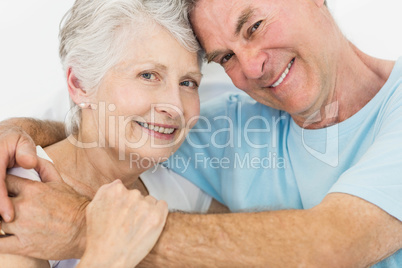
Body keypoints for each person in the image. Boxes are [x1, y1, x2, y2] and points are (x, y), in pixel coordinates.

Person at [0, 0, 402, 267]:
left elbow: (334, 244)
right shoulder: (218, 124)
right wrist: (16, 133)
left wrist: (85, 228)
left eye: (256, 26)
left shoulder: (182, 172)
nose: (253, 66)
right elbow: (95, 127)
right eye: (225, 57)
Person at [0, 0, 229, 267]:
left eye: (188, 82)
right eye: (148, 75)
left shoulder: (181, 186)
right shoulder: (18, 197)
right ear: (80, 84)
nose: (176, 107)